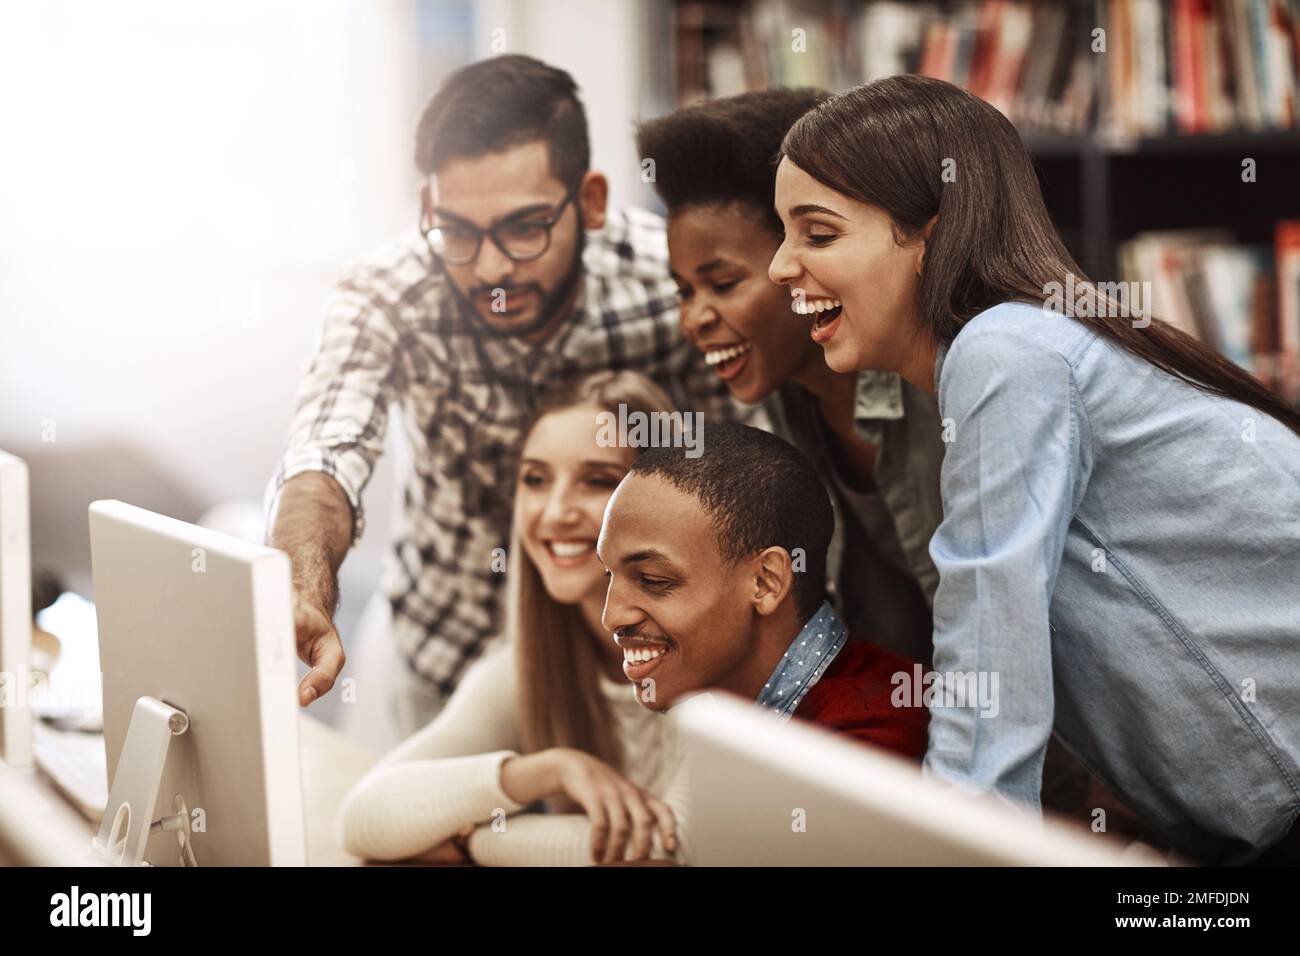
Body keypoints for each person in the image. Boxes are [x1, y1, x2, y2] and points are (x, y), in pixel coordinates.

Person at [768, 73, 1300, 864]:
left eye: (816, 234)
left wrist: (955, 848)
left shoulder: (1005, 353)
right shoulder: (1021, 346)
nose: (781, 266)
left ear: (931, 233)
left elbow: (987, 638)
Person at [265, 55, 744, 734]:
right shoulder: (386, 292)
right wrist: (302, 587)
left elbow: (739, 477)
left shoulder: (671, 282)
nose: (491, 268)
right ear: (430, 208)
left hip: (623, 675)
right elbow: (325, 455)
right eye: (459, 231)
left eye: (525, 228)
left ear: (592, 202)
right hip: (442, 653)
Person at [338, 372, 687, 866]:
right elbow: (364, 817)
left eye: (597, 481)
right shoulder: (528, 664)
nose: (556, 512)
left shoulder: (704, 658)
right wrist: (546, 771)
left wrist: (470, 842)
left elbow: (676, 851)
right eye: (536, 479)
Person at [598, 421, 929, 760]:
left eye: (653, 580)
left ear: (766, 582)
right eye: (608, 574)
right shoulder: (733, 719)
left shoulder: (866, 741)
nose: (611, 617)